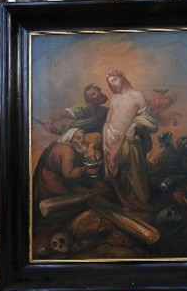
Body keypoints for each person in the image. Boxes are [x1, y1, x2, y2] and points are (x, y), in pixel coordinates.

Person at [100, 69, 157, 211]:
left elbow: (151, 121)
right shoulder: (115, 98)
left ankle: (139, 202)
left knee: (132, 172)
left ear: (122, 78)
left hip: (127, 139)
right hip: (111, 138)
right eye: (109, 83)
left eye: (114, 80)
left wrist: (134, 125)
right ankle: (125, 201)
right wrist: (105, 138)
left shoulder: (137, 96)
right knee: (120, 175)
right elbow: (108, 120)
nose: (112, 85)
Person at [32, 127, 100, 209]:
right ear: (70, 138)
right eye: (78, 138)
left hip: (57, 176)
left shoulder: (63, 143)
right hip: (51, 182)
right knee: (78, 202)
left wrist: (91, 147)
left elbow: (98, 136)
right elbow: (68, 174)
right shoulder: (67, 151)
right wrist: (85, 169)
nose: (82, 141)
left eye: (83, 137)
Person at [45, 84, 110, 135]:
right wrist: (50, 121)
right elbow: (65, 113)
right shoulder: (83, 108)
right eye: (93, 94)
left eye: (98, 91)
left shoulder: (104, 110)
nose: (98, 94)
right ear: (88, 101)